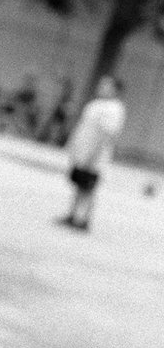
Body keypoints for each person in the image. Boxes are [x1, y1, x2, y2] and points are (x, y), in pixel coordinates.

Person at [59, 75, 126, 231]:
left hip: (94, 156)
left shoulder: (114, 109)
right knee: (78, 185)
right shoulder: (95, 104)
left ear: (115, 89)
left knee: (88, 188)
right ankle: (72, 214)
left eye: (106, 86)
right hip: (83, 151)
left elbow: (107, 134)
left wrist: (92, 155)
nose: (101, 87)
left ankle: (84, 219)